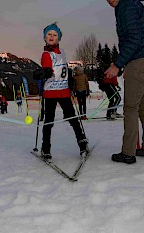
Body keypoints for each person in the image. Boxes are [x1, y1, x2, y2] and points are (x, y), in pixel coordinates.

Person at [105, 0, 144, 164]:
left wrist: (117, 64)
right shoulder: (132, 4)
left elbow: (134, 38)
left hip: (140, 62)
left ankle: (128, 152)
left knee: (130, 108)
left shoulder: (127, 6)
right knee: (142, 107)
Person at [38, 22, 88, 160]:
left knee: (73, 119)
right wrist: (45, 72)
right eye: (49, 34)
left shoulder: (63, 53)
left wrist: (70, 79)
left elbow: (64, 69)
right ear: (44, 37)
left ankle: (83, 143)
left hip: (64, 92)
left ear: (58, 38)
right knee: (49, 121)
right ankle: (45, 149)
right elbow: (47, 66)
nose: (51, 37)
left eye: (55, 35)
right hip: (50, 93)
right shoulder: (46, 54)